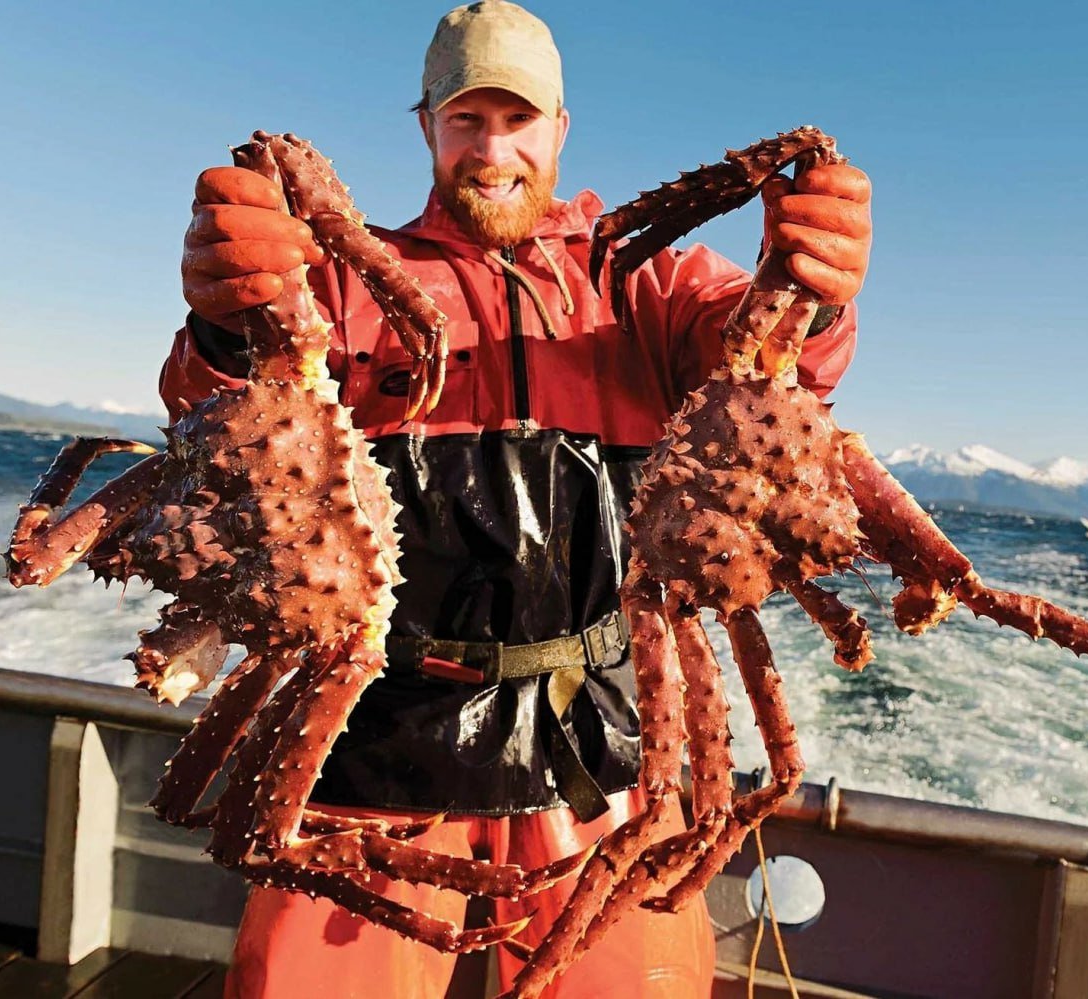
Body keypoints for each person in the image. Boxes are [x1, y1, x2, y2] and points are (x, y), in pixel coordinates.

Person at [167, 3, 872, 996]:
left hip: (603, 756)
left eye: (517, 121)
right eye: (466, 121)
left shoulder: (649, 283)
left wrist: (815, 295)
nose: (491, 150)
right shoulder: (334, 280)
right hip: (368, 749)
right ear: (426, 127)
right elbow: (216, 424)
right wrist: (223, 327)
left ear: (559, 130)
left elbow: (765, 368)